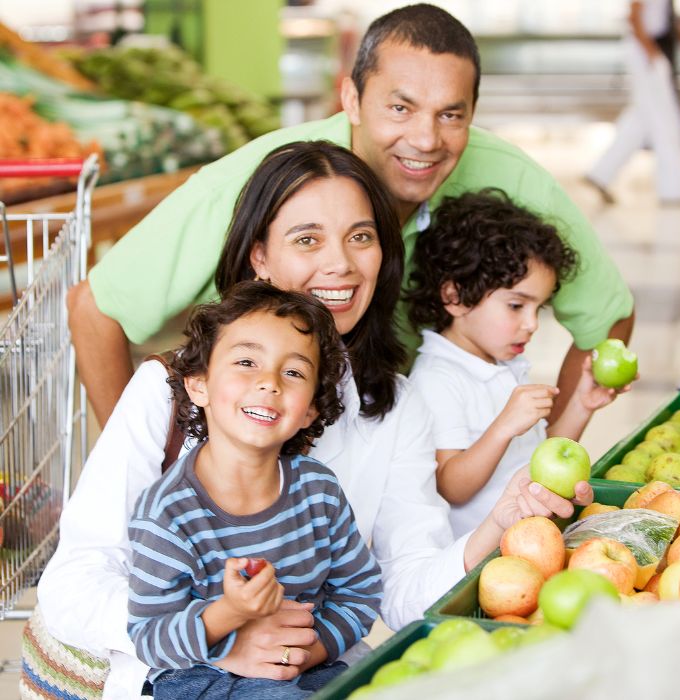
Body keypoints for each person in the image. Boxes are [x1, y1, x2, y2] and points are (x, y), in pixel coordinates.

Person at [36, 142, 593, 699]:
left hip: (326, 673)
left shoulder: (393, 405)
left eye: (361, 237)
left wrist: (498, 524)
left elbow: (400, 590)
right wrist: (224, 634)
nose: (341, 264)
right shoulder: (170, 389)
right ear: (260, 258)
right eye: (308, 239)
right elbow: (72, 587)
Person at [67, 3, 634, 430]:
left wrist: (544, 466)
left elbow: (608, 319)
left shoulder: (510, 179)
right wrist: (149, 478)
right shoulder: (257, 183)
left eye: (451, 115)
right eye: (399, 107)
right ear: (352, 99)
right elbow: (96, 309)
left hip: (411, 452)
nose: (425, 139)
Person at [128, 282, 382, 698]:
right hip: (201, 674)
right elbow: (150, 636)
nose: (269, 383)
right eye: (247, 361)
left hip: (306, 664)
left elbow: (360, 589)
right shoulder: (167, 512)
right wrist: (231, 612)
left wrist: (306, 652)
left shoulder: (318, 491)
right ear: (198, 384)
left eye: (294, 372)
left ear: (311, 409)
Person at [406, 189, 635, 538]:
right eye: (516, 306)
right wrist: (503, 427)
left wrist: (580, 405)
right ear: (454, 297)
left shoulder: (503, 365)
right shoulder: (438, 378)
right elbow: (451, 485)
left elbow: (539, 461)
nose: (532, 324)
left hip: (530, 537)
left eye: (537, 308)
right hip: (486, 559)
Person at [586, 0, 680, 204]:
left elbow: (666, 16)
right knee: (665, 120)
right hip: (646, 51)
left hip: (651, 49)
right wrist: (650, 51)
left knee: (641, 119)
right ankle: (675, 190)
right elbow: (634, 14)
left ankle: (601, 173)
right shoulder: (648, 50)